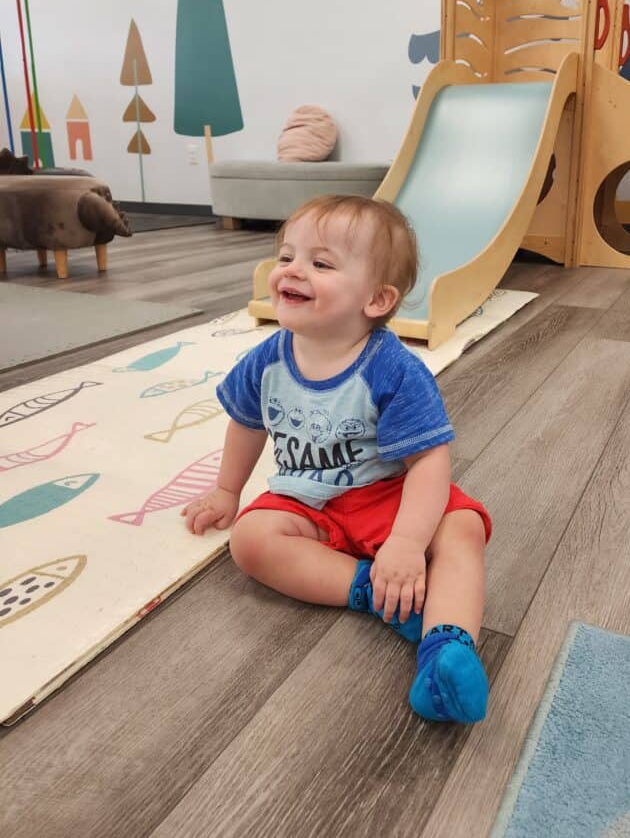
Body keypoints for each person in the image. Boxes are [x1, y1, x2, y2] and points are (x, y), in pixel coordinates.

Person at [183, 195, 492, 723]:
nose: (292, 271)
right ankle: (374, 591)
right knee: (250, 541)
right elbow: (247, 422)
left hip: (387, 497)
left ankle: (446, 649)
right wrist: (227, 492)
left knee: (461, 527)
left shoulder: (393, 369)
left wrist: (407, 543)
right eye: (286, 257)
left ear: (376, 300)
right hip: (306, 498)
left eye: (320, 263)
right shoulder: (268, 358)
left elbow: (428, 462)